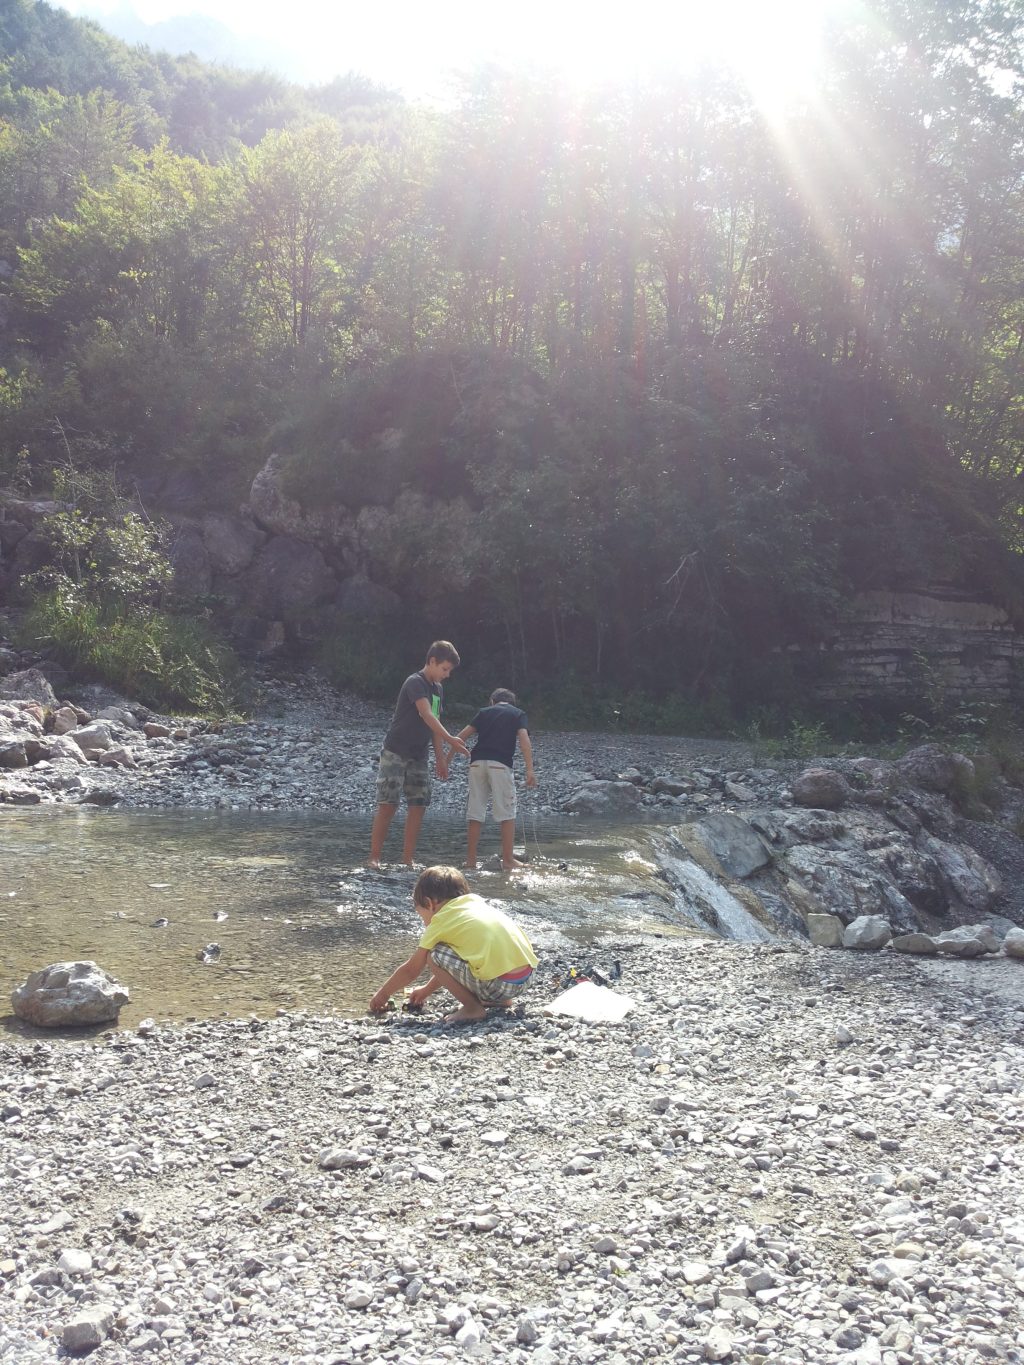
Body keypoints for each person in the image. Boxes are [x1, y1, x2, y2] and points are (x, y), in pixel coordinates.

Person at [369, 865, 538, 1023]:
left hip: (499, 985)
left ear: (429, 903)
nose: (424, 922)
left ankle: (473, 1008)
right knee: (466, 955)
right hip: (526, 978)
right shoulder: (475, 905)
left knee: (433, 955)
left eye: (421, 915)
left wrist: (383, 994)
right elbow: (457, 966)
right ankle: (501, 1001)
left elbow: (411, 970)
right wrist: (426, 990)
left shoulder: (441, 920)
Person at [368, 642, 471, 868]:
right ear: (432, 661)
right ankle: (374, 857)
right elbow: (426, 715)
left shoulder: (438, 689)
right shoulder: (415, 682)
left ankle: (407, 859)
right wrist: (451, 739)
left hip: (419, 754)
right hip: (396, 750)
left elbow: (435, 724)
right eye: (445, 669)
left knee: (419, 803)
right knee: (388, 803)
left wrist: (441, 758)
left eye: (450, 671)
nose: (447, 674)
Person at [455, 688, 537, 871]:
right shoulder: (518, 714)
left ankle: (470, 861)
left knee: (475, 811)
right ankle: (508, 859)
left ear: (492, 701)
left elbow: (461, 737)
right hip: (500, 765)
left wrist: (445, 759)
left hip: (476, 764)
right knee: (507, 812)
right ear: (511, 703)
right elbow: (524, 739)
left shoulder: (484, 712)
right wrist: (530, 769)